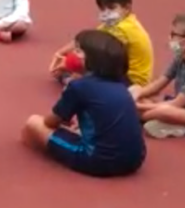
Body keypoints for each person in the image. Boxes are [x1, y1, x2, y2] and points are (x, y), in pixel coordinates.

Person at [24, 29, 146, 177]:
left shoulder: (79, 86)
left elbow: (50, 122)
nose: (72, 54)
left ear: (89, 58)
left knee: (33, 123)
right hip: (136, 159)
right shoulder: (121, 81)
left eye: (77, 50)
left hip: (99, 160)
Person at [50, 0, 153, 87]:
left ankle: (77, 82)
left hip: (132, 80)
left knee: (80, 59)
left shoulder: (123, 28)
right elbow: (87, 38)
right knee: (80, 55)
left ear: (127, 8)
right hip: (127, 74)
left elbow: (95, 50)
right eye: (103, 9)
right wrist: (60, 53)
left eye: (112, 8)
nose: (106, 12)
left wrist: (68, 62)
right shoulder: (118, 22)